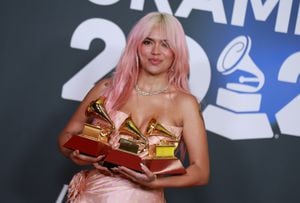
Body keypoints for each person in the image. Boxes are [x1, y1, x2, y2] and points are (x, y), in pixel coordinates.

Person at [58, 12, 210, 203]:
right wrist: (76, 154)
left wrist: (155, 183)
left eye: (165, 44)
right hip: (93, 196)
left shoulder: (185, 104)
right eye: (148, 42)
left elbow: (200, 171)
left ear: (177, 51)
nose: (156, 51)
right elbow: (67, 136)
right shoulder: (106, 89)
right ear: (136, 46)